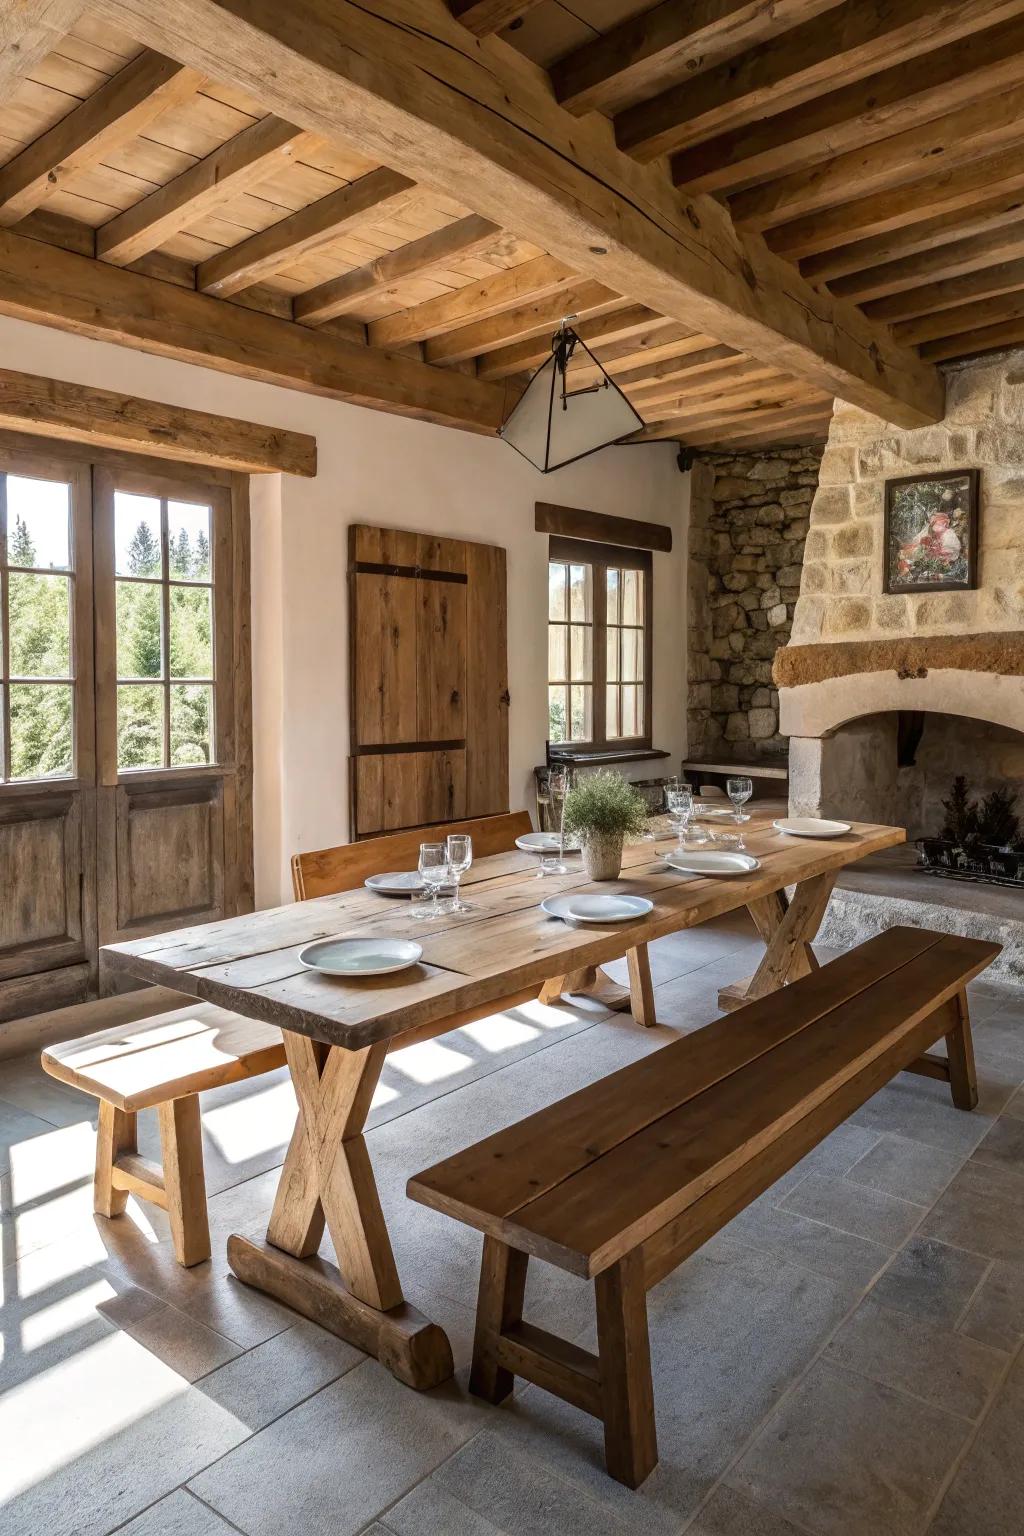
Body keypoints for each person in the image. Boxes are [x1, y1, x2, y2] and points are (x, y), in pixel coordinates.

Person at [897, 500, 962, 578]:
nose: (932, 525)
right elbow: (923, 542)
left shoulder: (948, 534)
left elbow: (948, 550)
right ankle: (907, 565)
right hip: (931, 552)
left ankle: (909, 565)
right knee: (918, 548)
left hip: (941, 555)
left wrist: (933, 549)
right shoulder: (931, 532)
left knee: (921, 551)